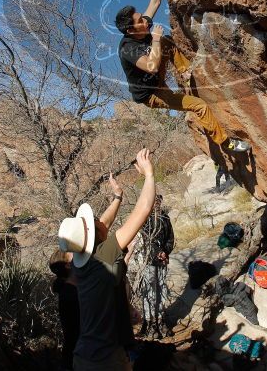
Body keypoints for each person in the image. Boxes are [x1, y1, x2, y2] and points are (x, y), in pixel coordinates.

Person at [115, 0, 251, 153]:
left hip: (157, 77)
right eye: (140, 21)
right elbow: (152, 67)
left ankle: (186, 70)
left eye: (142, 17)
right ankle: (227, 143)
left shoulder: (142, 26)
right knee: (198, 105)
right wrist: (155, 39)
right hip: (152, 94)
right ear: (131, 30)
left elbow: (154, 2)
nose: (145, 21)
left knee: (167, 41)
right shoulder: (127, 48)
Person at [58, 149, 158, 371]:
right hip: (106, 360)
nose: (101, 221)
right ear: (95, 235)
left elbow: (101, 224)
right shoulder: (105, 254)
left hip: (82, 357)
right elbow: (142, 211)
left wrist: (118, 197)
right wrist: (149, 176)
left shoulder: (79, 262)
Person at [49, 174, 125, 370]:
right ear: (68, 266)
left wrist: (117, 197)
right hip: (89, 359)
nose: (80, 252)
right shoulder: (74, 291)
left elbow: (102, 226)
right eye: (72, 254)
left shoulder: (77, 277)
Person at [136, 194, 174, 339]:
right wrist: (157, 252)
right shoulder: (144, 219)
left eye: (158, 201)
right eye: (154, 201)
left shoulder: (165, 218)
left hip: (162, 261)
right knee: (149, 292)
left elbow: (170, 238)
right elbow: (145, 239)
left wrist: (165, 251)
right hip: (148, 261)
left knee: (162, 291)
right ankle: (149, 324)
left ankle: (161, 322)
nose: (156, 204)